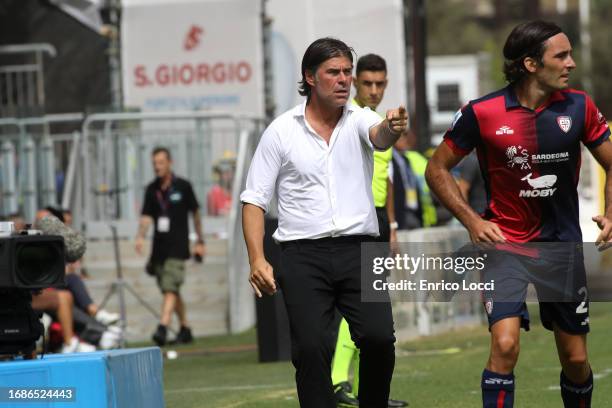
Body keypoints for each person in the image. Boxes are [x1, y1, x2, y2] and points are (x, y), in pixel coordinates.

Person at [425, 21, 611, 408]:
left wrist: (611, 212)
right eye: (561, 55)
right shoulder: (483, 112)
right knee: (505, 346)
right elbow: (436, 169)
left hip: (561, 249)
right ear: (530, 63)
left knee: (576, 360)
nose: (571, 63)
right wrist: (473, 221)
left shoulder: (579, 106)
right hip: (505, 249)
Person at [241, 37, 407, 408]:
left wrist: (393, 127)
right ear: (310, 77)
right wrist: (257, 258)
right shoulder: (281, 131)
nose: (344, 80)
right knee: (312, 347)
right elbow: (253, 199)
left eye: (348, 72)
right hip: (303, 256)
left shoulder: (362, 118)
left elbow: (380, 137)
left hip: (360, 250)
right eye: (334, 72)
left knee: (380, 338)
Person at [329, 53, 407, 408]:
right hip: (353, 220)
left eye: (381, 84)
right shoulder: (350, 120)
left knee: (373, 307)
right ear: (356, 83)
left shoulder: (381, 123)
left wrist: (391, 225)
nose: (374, 90)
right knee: (360, 302)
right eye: (368, 83)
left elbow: (386, 179)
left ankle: (367, 390)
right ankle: (336, 380)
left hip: (376, 219)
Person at [135, 147, 206, 346]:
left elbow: (196, 214)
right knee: (171, 290)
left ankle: (163, 327)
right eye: (154, 164)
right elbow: (147, 216)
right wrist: (140, 236)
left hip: (178, 247)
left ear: (169, 162)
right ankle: (185, 328)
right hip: (159, 249)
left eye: (160, 163)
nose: (157, 167)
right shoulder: (152, 189)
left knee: (169, 287)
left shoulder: (183, 186)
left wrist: (200, 241)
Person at [392, 129, 437, 230]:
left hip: (414, 210)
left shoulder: (406, 159)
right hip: (399, 212)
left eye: (405, 136)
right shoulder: (389, 160)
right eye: (401, 137)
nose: (404, 140)